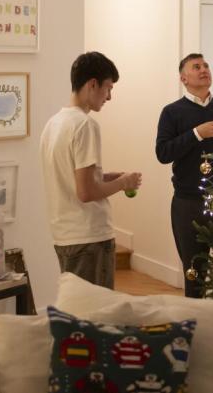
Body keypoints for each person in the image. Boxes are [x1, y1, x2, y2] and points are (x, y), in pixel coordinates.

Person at [40, 51, 142, 288]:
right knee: (95, 316)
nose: (109, 96)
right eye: (108, 88)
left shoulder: (53, 124)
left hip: (64, 235)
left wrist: (108, 177)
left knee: (76, 314)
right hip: (89, 237)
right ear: (93, 84)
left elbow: (70, 178)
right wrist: (123, 184)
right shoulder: (85, 125)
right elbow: (85, 192)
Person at [155, 54, 213, 298]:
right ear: (183, 78)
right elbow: (163, 153)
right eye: (196, 67)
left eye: (206, 66)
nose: (204, 70)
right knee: (194, 273)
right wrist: (196, 134)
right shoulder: (171, 112)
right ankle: (196, 329)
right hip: (188, 203)